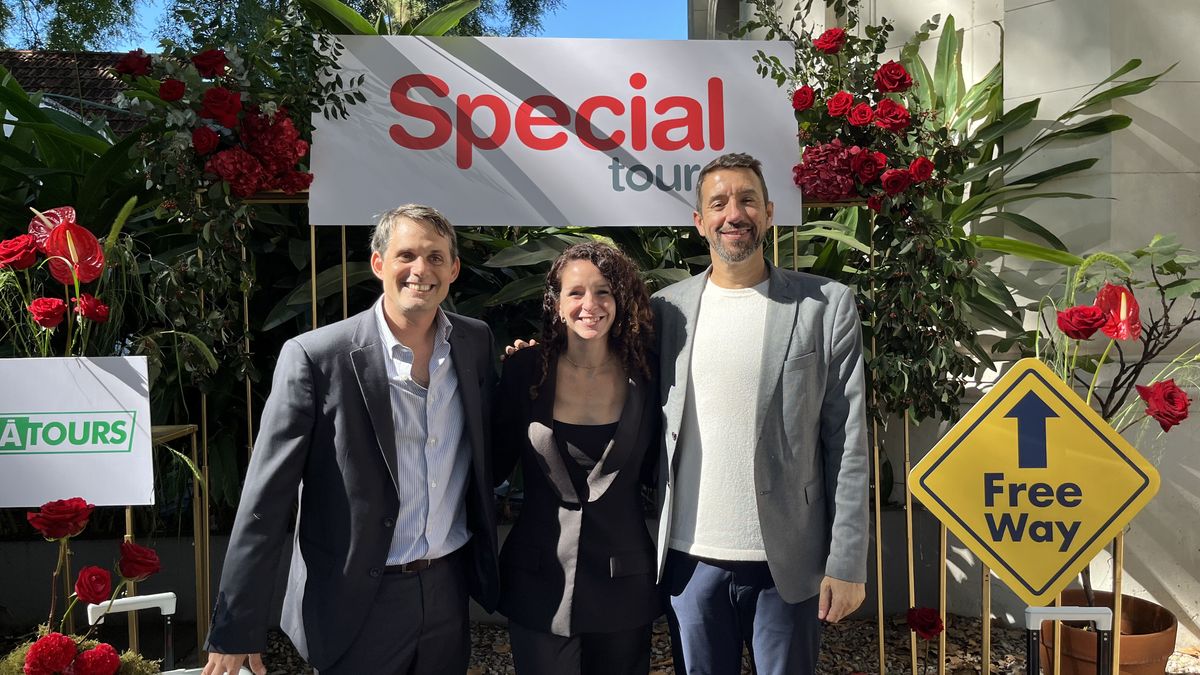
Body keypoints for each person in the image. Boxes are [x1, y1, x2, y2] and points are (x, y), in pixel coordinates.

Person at [202, 205, 499, 675]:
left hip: (447, 591)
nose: (421, 270)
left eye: (436, 257)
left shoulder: (475, 343)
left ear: (454, 269)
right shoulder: (317, 357)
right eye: (406, 256)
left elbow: (488, 452)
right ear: (379, 264)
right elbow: (266, 499)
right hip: (357, 598)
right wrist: (236, 626)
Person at [652, 152, 869, 675]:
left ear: (769, 212)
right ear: (699, 221)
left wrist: (846, 563)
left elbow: (849, 441)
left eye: (747, 200)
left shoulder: (825, 305)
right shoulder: (665, 310)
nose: (735, 213)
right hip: (689, 561)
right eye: (719, 202)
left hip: (788, 566)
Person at [493, 242, 661, 675]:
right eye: (576, 292)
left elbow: (658, 469)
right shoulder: (523, 371)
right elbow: (492, 463)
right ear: (556, 303)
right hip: (538, 579)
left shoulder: (649, 375)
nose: (591, 305)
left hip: (624, 583)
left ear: (621, 300)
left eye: (604, 291)